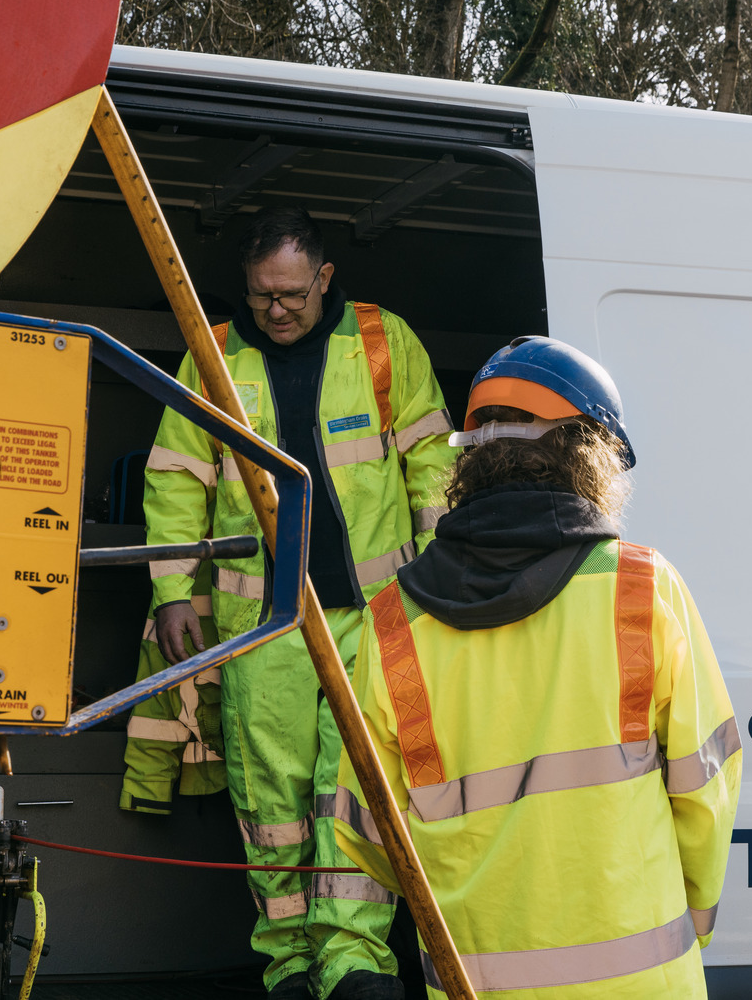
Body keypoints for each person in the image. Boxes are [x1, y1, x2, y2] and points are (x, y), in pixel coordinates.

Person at [332, 336, 742, 998]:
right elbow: (706, 790)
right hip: (643, 980)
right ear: (591, 454)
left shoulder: (391, 622)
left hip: (476, 981)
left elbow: (365, 829)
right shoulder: (642, 588)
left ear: (474, 461)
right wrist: (693, 913)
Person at [140, 206, 457, 1000]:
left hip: (376, 614)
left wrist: (441, 578)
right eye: (259, 297)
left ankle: (352, 960)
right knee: (271, 799)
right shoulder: (212, 356)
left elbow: (430, 466)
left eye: (290, 294)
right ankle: (289, 964)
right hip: (265, 623)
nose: (276, 310)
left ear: (324, 278)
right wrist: (174, 590)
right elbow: (178, 480)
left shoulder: (384, 342)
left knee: (358, 789)